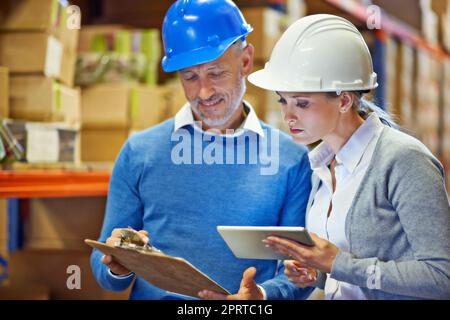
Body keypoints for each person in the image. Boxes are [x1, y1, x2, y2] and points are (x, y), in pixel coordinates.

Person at [90, 0, 314, 300]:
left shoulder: (291, 160)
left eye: (216, 73)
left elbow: (302, 272)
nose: (204, 92)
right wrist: (117, 267)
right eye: (190, 77)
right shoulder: (140, 152)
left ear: (246, 61)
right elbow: (104, 269)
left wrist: (261, 295)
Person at [247, 14, 450, 299]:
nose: (288, 115)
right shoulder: (321, 167)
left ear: (343, 100)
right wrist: (317, 275)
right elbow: (349, 278)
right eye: (283, 100)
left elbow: (442, 277)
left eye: (302, 103)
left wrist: (337, 263)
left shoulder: (403, 160)